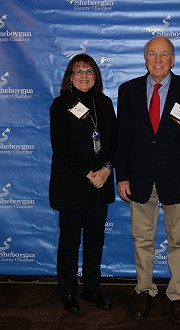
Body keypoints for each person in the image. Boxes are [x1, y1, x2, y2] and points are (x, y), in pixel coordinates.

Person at [115, 36, 180, 324]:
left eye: (164, 55)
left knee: (179, 241)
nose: (158, 60)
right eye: (152, 54)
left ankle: (179, 295)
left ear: (173, 59)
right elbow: (123, 140)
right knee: (142, 240)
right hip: (140, 180)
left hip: (179, 181)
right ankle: (144, 291)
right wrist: (122, 176)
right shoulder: (128, 90)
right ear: (145, 58)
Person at [49, 54, 116, 312]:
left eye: (89, 71)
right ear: (70, 77)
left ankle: (92, 290)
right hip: (72, 185)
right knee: (69, 241)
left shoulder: (104, 103)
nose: (84, 76)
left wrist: (107, 169)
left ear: (96, 76)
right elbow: (61, 147)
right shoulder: (60, 104)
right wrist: (90, 173)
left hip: (101, 184)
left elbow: (114, 141)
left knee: (95, 239)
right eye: (79, 72)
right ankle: (67, 293)